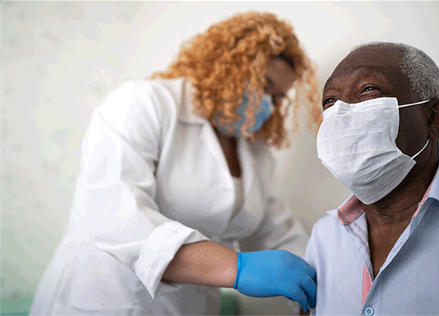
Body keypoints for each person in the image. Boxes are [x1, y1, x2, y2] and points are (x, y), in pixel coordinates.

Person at [29, 11, 322, 316]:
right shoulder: (143, 104)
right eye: (264, 84)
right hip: (106, 301)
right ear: (228, 65)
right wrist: (237, 267)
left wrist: (317, 288)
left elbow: (275, 232)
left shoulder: (254, 149)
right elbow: (116, 218)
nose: (268, 104)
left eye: (277, 97)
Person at [306, 42, 439, 315]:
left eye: (368, 89)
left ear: (434, 119)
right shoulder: (324, 236)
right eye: (330, 100)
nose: (340, 112)